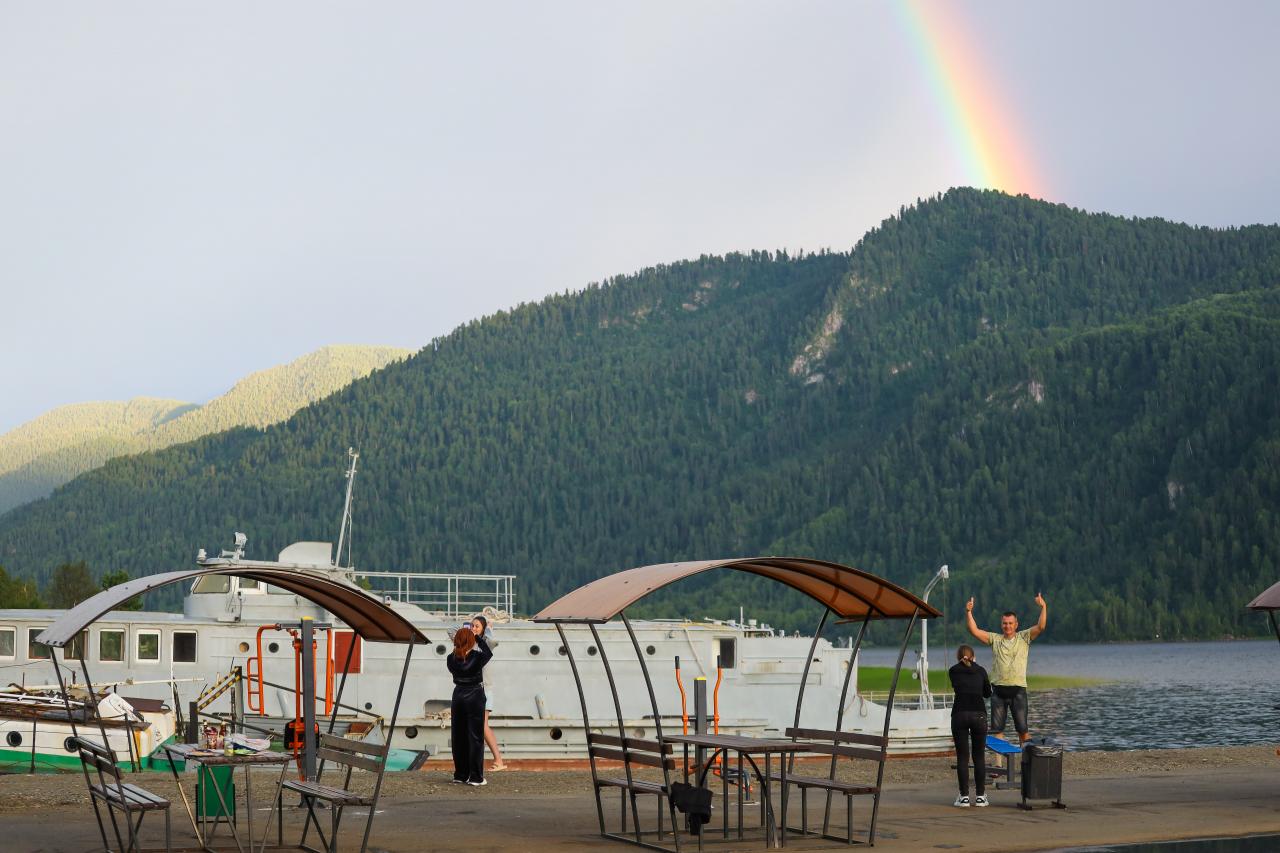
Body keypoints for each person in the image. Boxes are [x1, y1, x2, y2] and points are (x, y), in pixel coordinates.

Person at [966, 593, 1047, 743]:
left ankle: (1027, 761)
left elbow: (1041, 626)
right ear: (1001, 624)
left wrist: (1043, 607)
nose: (1007, 626)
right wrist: (969, 612)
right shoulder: (995, 639)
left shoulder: (1024, 637)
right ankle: (999, 764)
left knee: (1023, 730)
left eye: (1010, 623)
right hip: (998, 691)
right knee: (997, 730)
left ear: (1016, 624)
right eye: (1005, 623)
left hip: (1018, 691)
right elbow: (974, 631)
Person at [447, 624, 492, 786]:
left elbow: (458, 653)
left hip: (458, 695)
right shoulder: (477, 657)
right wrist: (478, 637)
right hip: (474, 695)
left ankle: (460, 774)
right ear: (471, 640)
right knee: (475, 737)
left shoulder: (450, 659)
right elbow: (488, 652)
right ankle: (475, 777)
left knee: (458, 736)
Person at [948, 644, 992, 807]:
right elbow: (988, 693)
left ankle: (964, 797)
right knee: (979, 756)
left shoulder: (953, 670)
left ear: (958, 657)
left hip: (959, 714)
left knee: (962, 757)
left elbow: (957, 685)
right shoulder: (981, 670)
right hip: (979, 714)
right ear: (973, 656)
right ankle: (980, 797)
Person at [470, 614, 508, 772]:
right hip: (475, 690)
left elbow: (494, 642)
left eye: (476, 626)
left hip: (485, 690)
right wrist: (465, 629)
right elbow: (451, 632)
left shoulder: (486, 644)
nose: (473, 628)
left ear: (483, 629)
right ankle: (493, 760)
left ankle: (498, 760)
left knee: (483, 725)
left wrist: (489, 630)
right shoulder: (472, 644)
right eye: (472, 625)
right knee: (478, 726)